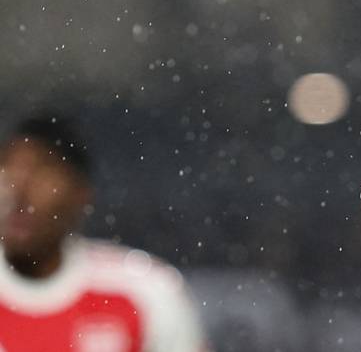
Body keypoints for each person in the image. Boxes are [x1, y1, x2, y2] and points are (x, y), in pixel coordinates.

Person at [0, 113, 208, 351]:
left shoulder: (145, 292)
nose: (18, 189)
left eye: (41, 171)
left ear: (80, 193)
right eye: (7, 168)